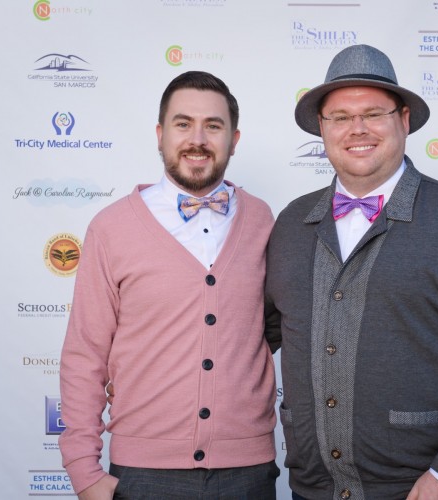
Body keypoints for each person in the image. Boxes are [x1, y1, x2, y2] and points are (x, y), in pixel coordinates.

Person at [264, 44, 438, 500]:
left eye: (374, 113)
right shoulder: (292, 223)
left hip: (426, 489)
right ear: (322, 128)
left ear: (404, 121)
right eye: (340, 117)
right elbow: (256, 335)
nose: (358, 129)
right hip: (313, 489)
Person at [59, 71, 280, 500]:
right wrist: (83, 468)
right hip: (143, 473)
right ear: (160, 135)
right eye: (183, 124)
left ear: (234, 139)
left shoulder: (262, 219)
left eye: (213, 126)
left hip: (248, 471)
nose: (197, 139)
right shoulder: (111, 228)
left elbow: (270, 326)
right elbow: (85, 352)